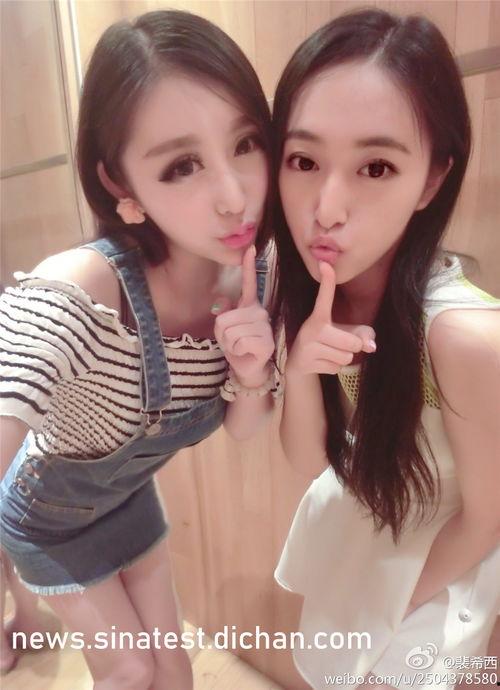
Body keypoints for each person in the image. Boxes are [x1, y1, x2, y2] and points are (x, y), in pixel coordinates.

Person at [0, 10, 281, 689]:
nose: (234, 197)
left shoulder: (261, 271)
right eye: (182, 165)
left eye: (246, 142)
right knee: (129, 670)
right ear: (121, 185)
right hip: (46, 518)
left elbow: (245, 429)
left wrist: (252, 371)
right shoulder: (82, 292)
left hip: (128, 499)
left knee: (174, 669)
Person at [270, 8, 500, 690]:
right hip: (375, 534)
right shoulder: (316, 290)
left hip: (447, 559)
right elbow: (311, 462)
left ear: (431, 180)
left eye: (375, 167)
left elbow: (487, 518)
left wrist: (381, 609)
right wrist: (298, 368)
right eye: (304, 160)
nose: (327, 208)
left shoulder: (461, 336)